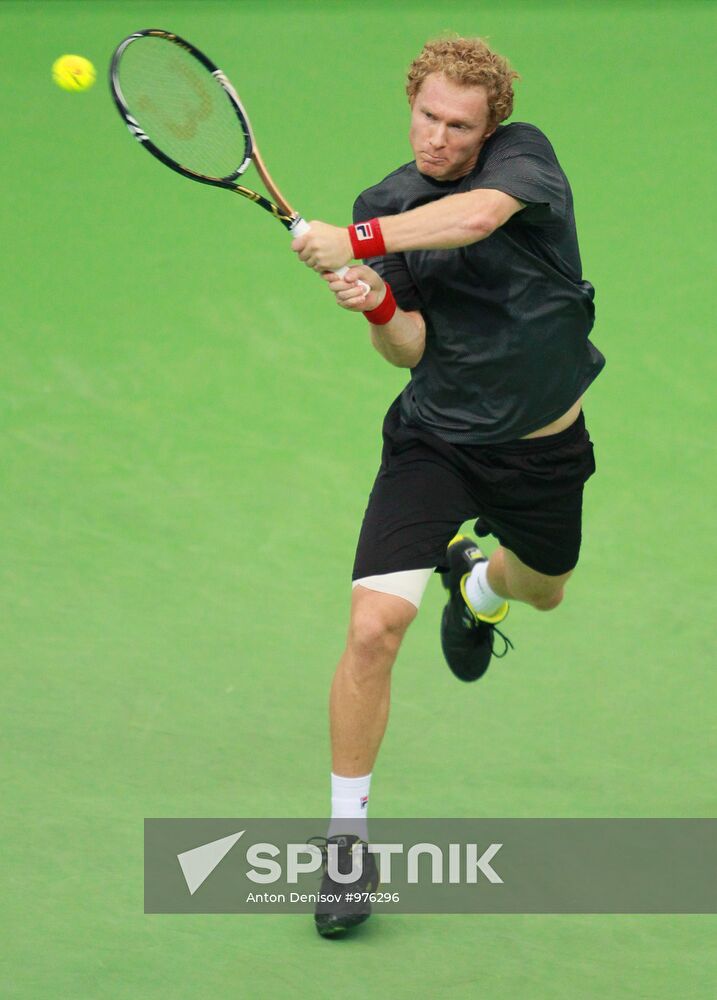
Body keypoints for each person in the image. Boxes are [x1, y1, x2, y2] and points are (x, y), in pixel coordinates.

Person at [292, 36, 604, 938]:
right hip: (435, 440)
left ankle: (474, 587)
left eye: (457, 125)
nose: (436, 137)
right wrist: (376, 303)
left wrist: (352, 242)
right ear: (411, 104)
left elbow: (471, 221)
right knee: (373, 625)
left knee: (541, 591)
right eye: (426, 116)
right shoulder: (386, 203)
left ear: (489, 127)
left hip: (542, 451)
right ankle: (345, 846)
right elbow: (410, 349)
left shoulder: (522, 162)